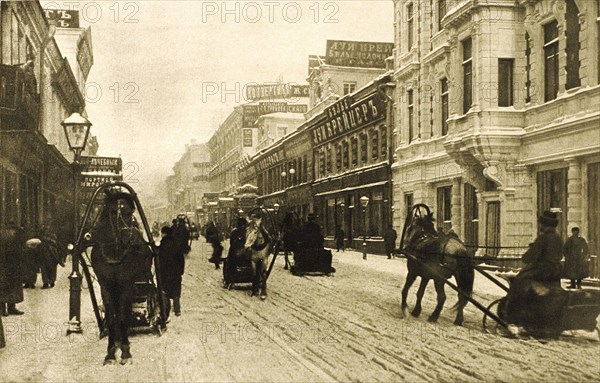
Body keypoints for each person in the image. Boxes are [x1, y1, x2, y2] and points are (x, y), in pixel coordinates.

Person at [158, 226, 185, 317]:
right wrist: (181, 270)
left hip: (165, 272)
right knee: (176, 291)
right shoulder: (176, 243)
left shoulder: (163, 244)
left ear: (165, 234)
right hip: (176, 271)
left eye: (162, 233)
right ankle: (177, 309)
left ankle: (166, 311)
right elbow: (181, 259)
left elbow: (160, 259)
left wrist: (159, 270)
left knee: (165, 290)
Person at [0, 224, 25, 316]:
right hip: (4, 267)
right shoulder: (5, 239)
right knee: (3, 288)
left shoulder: (14, 239)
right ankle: (3, 309)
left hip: (13, 266)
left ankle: (11, 308)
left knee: (13, 287)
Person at [39, 224, 61, 289]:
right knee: (47, 268)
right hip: (47, 253)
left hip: (50, 253)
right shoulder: (50, 235)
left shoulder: (50, 236)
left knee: (48, 268)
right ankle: (48, 282)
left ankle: (49, 281)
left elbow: (55, 243)